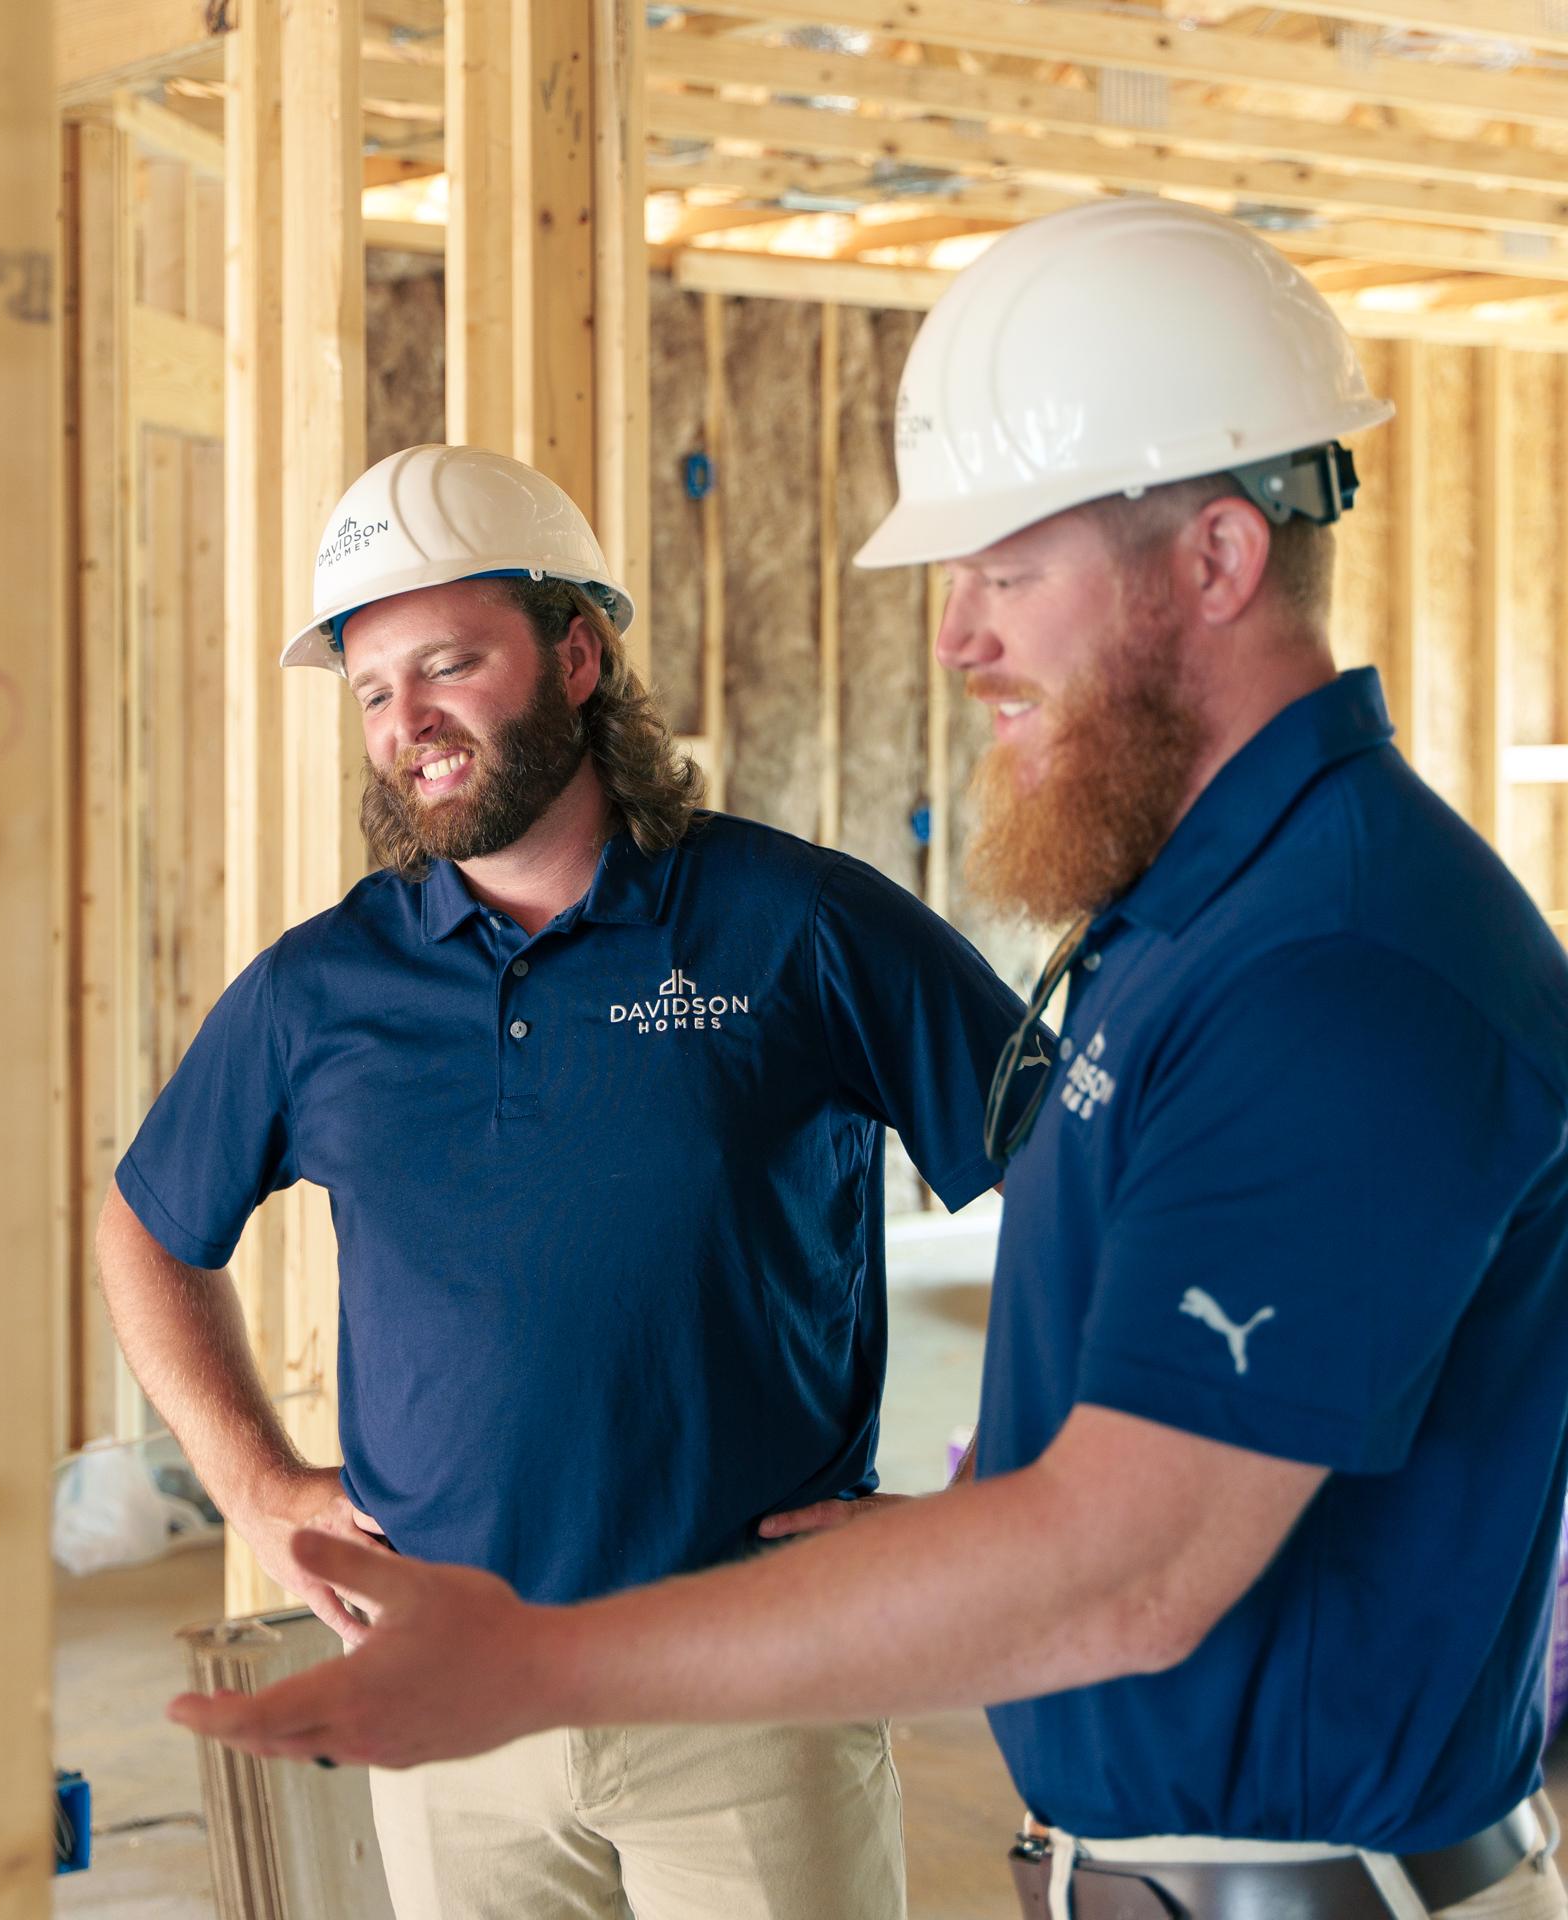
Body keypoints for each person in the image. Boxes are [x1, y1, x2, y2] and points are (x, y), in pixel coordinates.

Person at [169, 202, 1568, 1920]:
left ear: (1215, 559)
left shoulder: (1332, 965)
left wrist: (552, 1662)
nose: (959, 639)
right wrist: (999, 1488)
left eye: (1010, 572)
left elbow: (1121, 1573)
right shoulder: (1185, 926)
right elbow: (1114, 1380)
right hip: (1168, 1867)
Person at [97, 441, 1032, 1920]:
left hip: (748, 1682)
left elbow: (1087, 1182)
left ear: (579, 654)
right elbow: (146, 1228)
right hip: (448, 1696)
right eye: (372, 690)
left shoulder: (796, 926)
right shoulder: (320, 989)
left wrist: (1001, 1505)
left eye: (449, 664)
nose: (409, 723)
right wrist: (257, 1487)